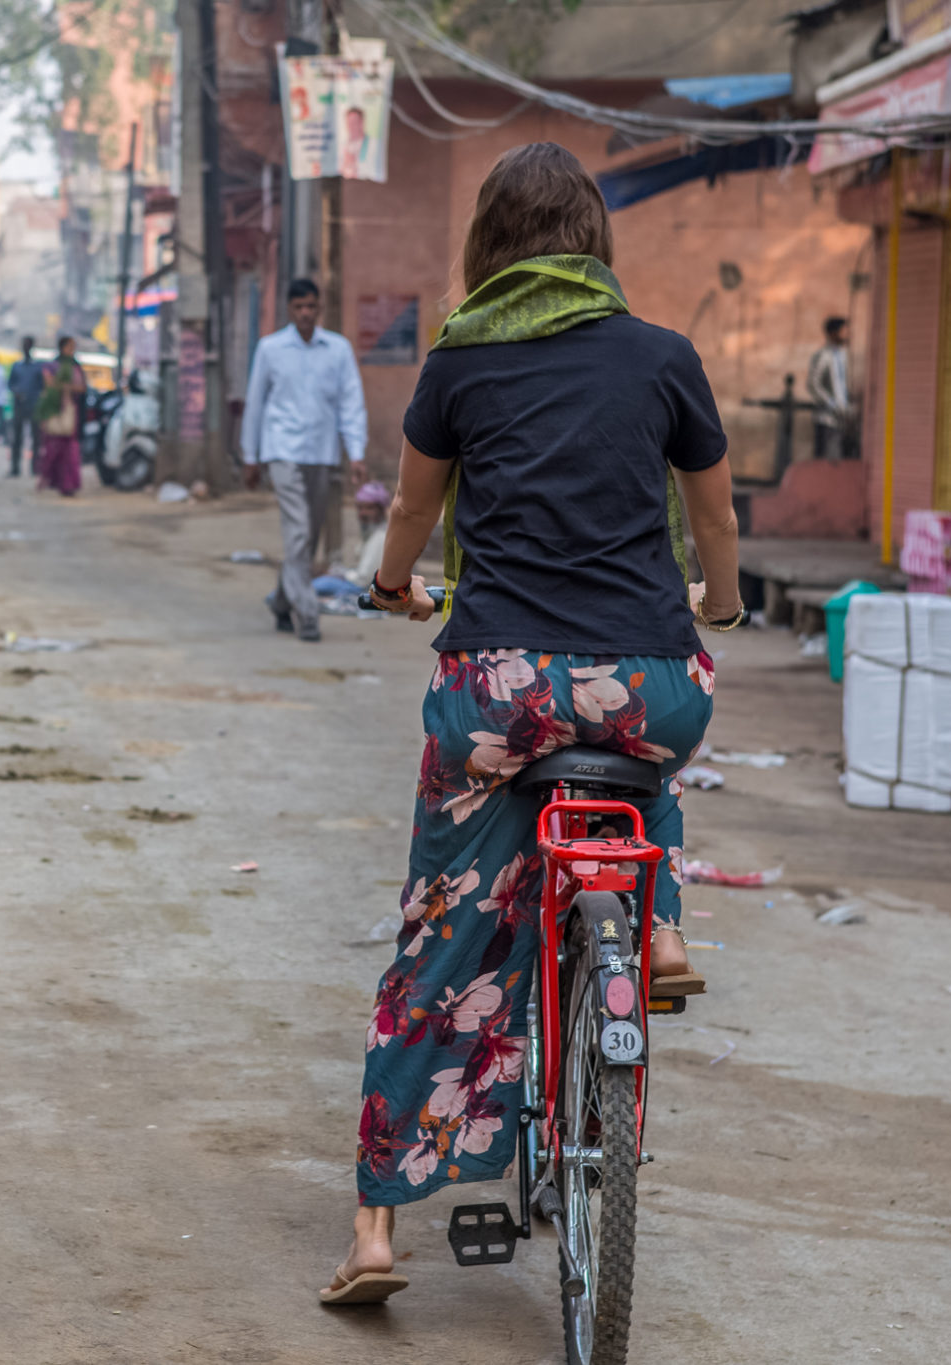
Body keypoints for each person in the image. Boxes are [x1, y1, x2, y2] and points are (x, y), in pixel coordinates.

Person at [326, 143, 740, 1305]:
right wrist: (719, 603)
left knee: (437, 943)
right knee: (642, 753)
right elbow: (710, 516)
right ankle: (652, 922)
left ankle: (372, 1233)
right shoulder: (664, 358)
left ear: (486, 246)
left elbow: (411, 505)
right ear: (594, 240)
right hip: (650, 685)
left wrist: (391, 586)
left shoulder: (458, 359)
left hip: (498, 693)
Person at [240, 278, 368, 643]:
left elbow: (351, 402)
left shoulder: (338, 350)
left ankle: (281, 601)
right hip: (281, 451)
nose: (306, 313)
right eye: (299, 308)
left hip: (321, 452)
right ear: (289, 310)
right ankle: (306, 612)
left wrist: (356, 452)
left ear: (319, 308)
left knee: (307, 539)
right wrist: (251, 456)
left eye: (311, 307)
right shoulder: (270, 349)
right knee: (298, 532)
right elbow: (255, 404)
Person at [35, 336, 87, 496]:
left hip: (70, 413)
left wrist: (67, 388)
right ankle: (48, 478)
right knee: (51, 450)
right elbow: (48, 385)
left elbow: (82, 388)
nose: (72, 351)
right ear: (62, 347)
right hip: (53, 411)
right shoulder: (52, 366)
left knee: (70, 452)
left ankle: (68, 485)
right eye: (70, 347)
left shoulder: (75, 367)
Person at [806, 316, 853, 460]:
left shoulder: (843, 355)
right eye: (843, 332)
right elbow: (813, 384)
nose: (846, 335)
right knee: (824, 459)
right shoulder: (822, 356)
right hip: (826, 417)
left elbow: (842, 384)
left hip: (842, 417)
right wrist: (831, 403)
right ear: (833, 333)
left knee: (838, 458)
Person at [7, 336, 44, 478]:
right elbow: (10, 384)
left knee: (36, 439)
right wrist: (16, 392)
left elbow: (42, 386)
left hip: (34, 406)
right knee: (16, 438)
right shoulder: (17, 366)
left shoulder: (37, 367)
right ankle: (15, 468)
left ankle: (35, 468)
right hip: (19, 406)